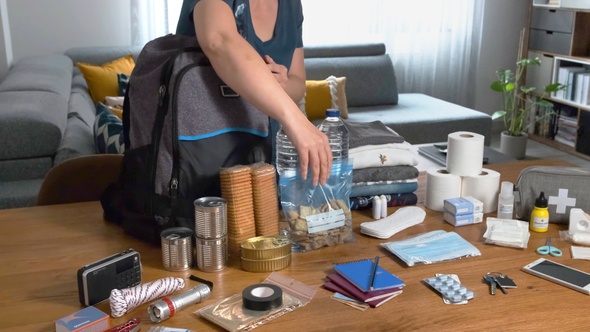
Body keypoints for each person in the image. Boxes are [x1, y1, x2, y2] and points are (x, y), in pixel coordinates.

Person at [176, 0, 332, 186]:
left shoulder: (292, 5)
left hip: (266, 159)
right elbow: (217, 40)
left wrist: (282, 83)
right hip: (201, 160)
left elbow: (297, 82)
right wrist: (296, 120)